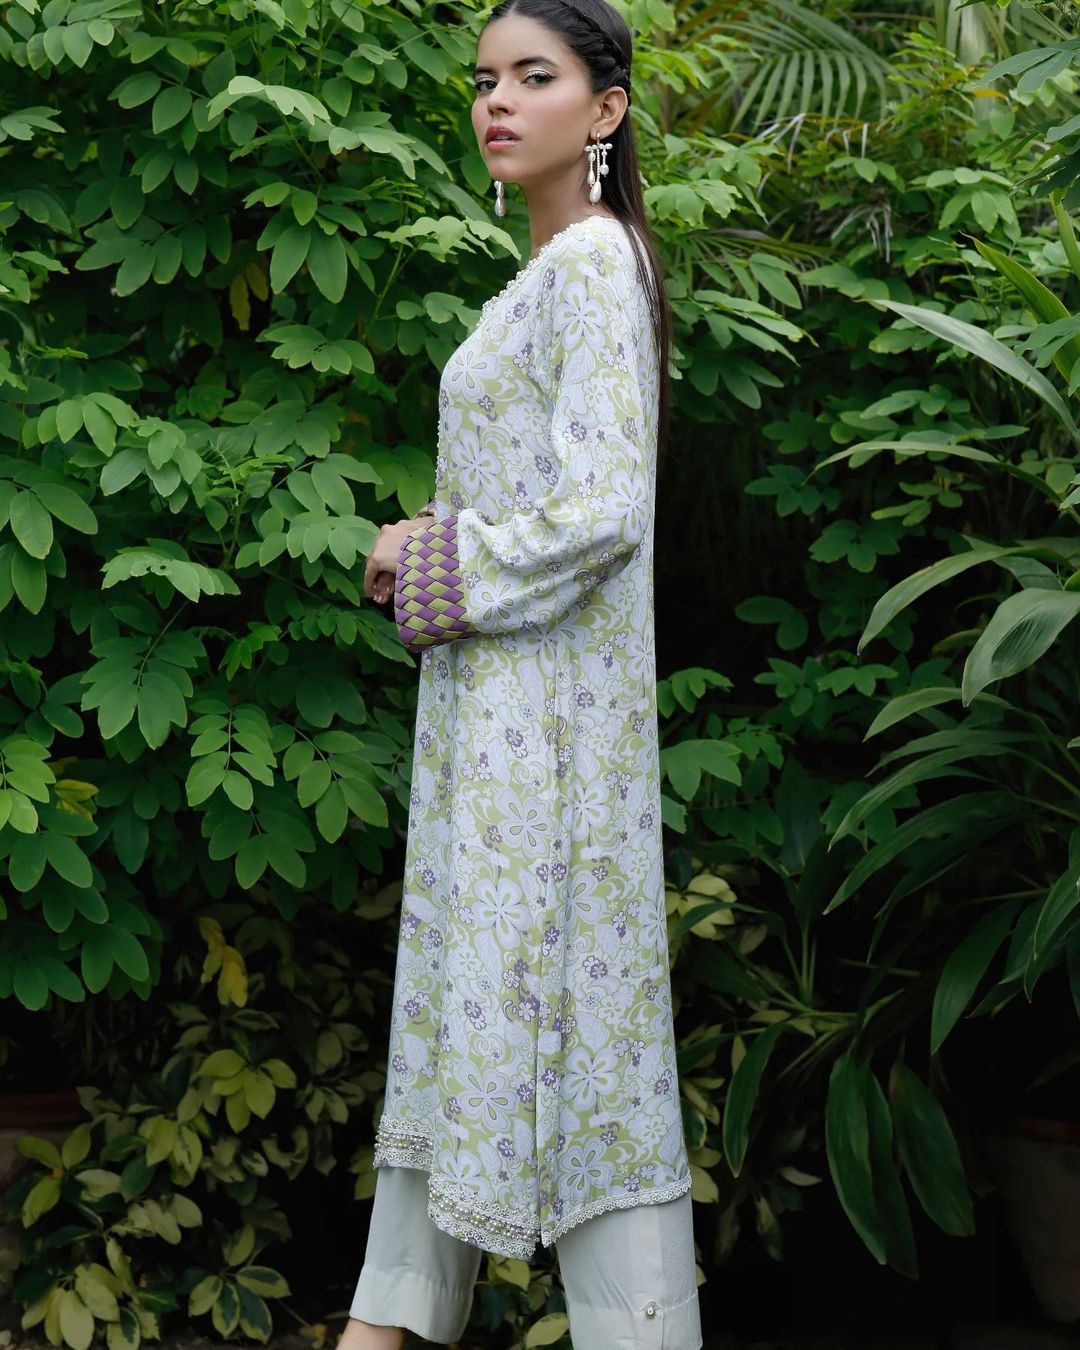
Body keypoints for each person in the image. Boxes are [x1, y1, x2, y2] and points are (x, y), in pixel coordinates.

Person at [349, 2, 703, 1346]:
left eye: (533, 76)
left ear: (604, 109)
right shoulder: (545, 274)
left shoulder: (595, 262)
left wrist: (427, 556)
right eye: (485, 77)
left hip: (546, 720)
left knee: (563, 1012)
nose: (495, 100)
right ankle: (387, 1319)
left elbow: (603, 510)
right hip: (495, 707)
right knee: (482, 1003)